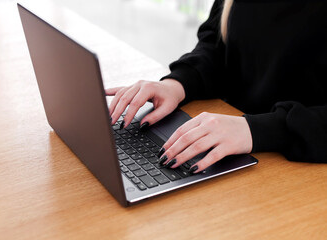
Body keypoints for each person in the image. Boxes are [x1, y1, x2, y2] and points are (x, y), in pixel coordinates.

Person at [106, 0, 327, 173]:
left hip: (298, 169)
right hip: (225, 149)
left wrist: (257, 129)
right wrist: (178, 83)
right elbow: (217, 44)